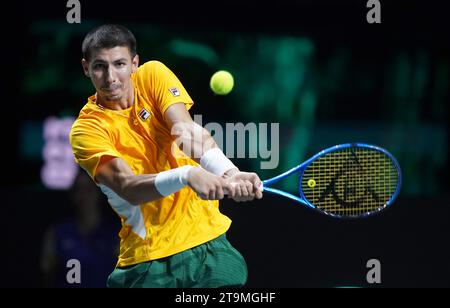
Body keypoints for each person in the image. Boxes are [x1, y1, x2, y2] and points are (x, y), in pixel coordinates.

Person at [70, 24, 263, 288]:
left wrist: (229, 172)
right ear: (86, 68)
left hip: (210, 249)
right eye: (100, 66)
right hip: (148, 262)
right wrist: (187, 175)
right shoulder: (86, 129)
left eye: (119, 64)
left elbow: (186, 132)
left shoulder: (153, 75)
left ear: (134, 63)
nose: (111, 77)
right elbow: (128, 187)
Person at [40, 170, 119, 288]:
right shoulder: (57, 233)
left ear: (99, 193)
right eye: (78, 190)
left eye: (88, 189)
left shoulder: (116, 235)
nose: (83, 196)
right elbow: (46, 274)